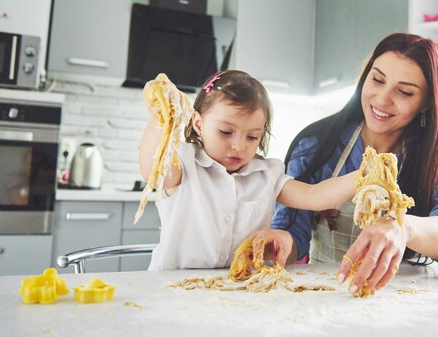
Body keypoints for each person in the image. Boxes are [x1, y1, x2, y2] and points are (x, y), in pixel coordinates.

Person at [265, 33, 438, 295]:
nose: (382, 99)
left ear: (426, 103)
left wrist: (402, 226)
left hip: (405, 296)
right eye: (377, 80)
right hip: (328, 292)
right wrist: (282, 241)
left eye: (405, 92)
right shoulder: (316, 145)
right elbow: (292, 230)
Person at [139, 70, 357, 271]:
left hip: (235, 292)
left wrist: (363, 176)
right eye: (225, 132)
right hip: (173, 289)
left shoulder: (267, 175)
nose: (239, 146)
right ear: (198, 123)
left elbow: (314, 196)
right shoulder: (185, 164)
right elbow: (155, 171)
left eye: (252, 136)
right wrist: (160, 117)